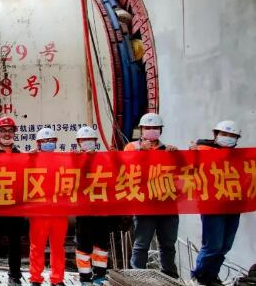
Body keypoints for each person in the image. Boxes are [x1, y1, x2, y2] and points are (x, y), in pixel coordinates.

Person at [125, 113, 179, 278]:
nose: (151, 130)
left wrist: (177, 156)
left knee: (168, 244)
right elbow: (125, 169)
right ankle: (137, 276)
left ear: (160, 130)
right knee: (141, 244)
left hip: (167, 204)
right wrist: (141, 151)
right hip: (144, 205)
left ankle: (169, 275)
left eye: (155, 128)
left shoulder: (167, 150)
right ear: (141, 129)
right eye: (148, 128)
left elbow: (182, 173)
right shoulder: (132, 148)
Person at [190, 120, 243, 286]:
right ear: (215, 135)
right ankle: (200, 276)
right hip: (212, 206)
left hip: (232, 206)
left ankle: (212, 276)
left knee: (225, 245)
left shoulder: (239, 157)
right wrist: (192, 154)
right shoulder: (202, 150)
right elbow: (187, 169)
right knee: (213, 245)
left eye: (232, 135)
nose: (228, 138)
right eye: (224, 134)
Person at [0, 117, 24, 286]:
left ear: (14, 133)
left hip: (15, 206)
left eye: (10, 131)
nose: (7, 134)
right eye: (3, 131)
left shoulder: (20, 155)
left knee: (15, 244)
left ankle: (14, 275)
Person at [73, 127, 114, 286]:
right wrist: (83, 159)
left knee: (101, 245)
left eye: (90, 139)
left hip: (101, 210)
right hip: (83, 211)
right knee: (83, 246)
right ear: (79, 142)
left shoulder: (104, 158)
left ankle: (99, 276)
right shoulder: (74, 159)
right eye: (84, 140)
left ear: (96, 142)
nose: (87, 142)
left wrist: (115, 157)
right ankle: (85, 278)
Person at [29, 127, 67, 286]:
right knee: (37, 247)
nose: (48, 143)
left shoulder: (63, 159)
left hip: (59, 211)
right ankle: (35, 278)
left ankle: (57, 278)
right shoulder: (32, 159)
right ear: (38, 143)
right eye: (44, 141)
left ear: (56, 142)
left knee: (58, 247)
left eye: (51, 140)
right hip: (39, 211)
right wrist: (28, 158)